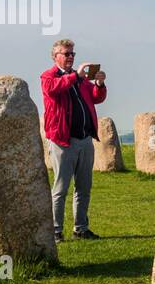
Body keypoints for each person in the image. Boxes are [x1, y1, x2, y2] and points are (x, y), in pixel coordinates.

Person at [40, 38, 107, 242]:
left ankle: (81, 228)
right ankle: (56, 230)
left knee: (84, 188)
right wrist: (75, 76)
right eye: (66, 53)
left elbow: (95, 98)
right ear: (55, 56)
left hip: (85, 139)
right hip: (63, 140)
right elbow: (54, 89)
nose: (70, 57)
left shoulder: (80, 80)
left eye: (72, 54)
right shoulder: (48, 76)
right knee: (60, 188)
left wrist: (100, 84)